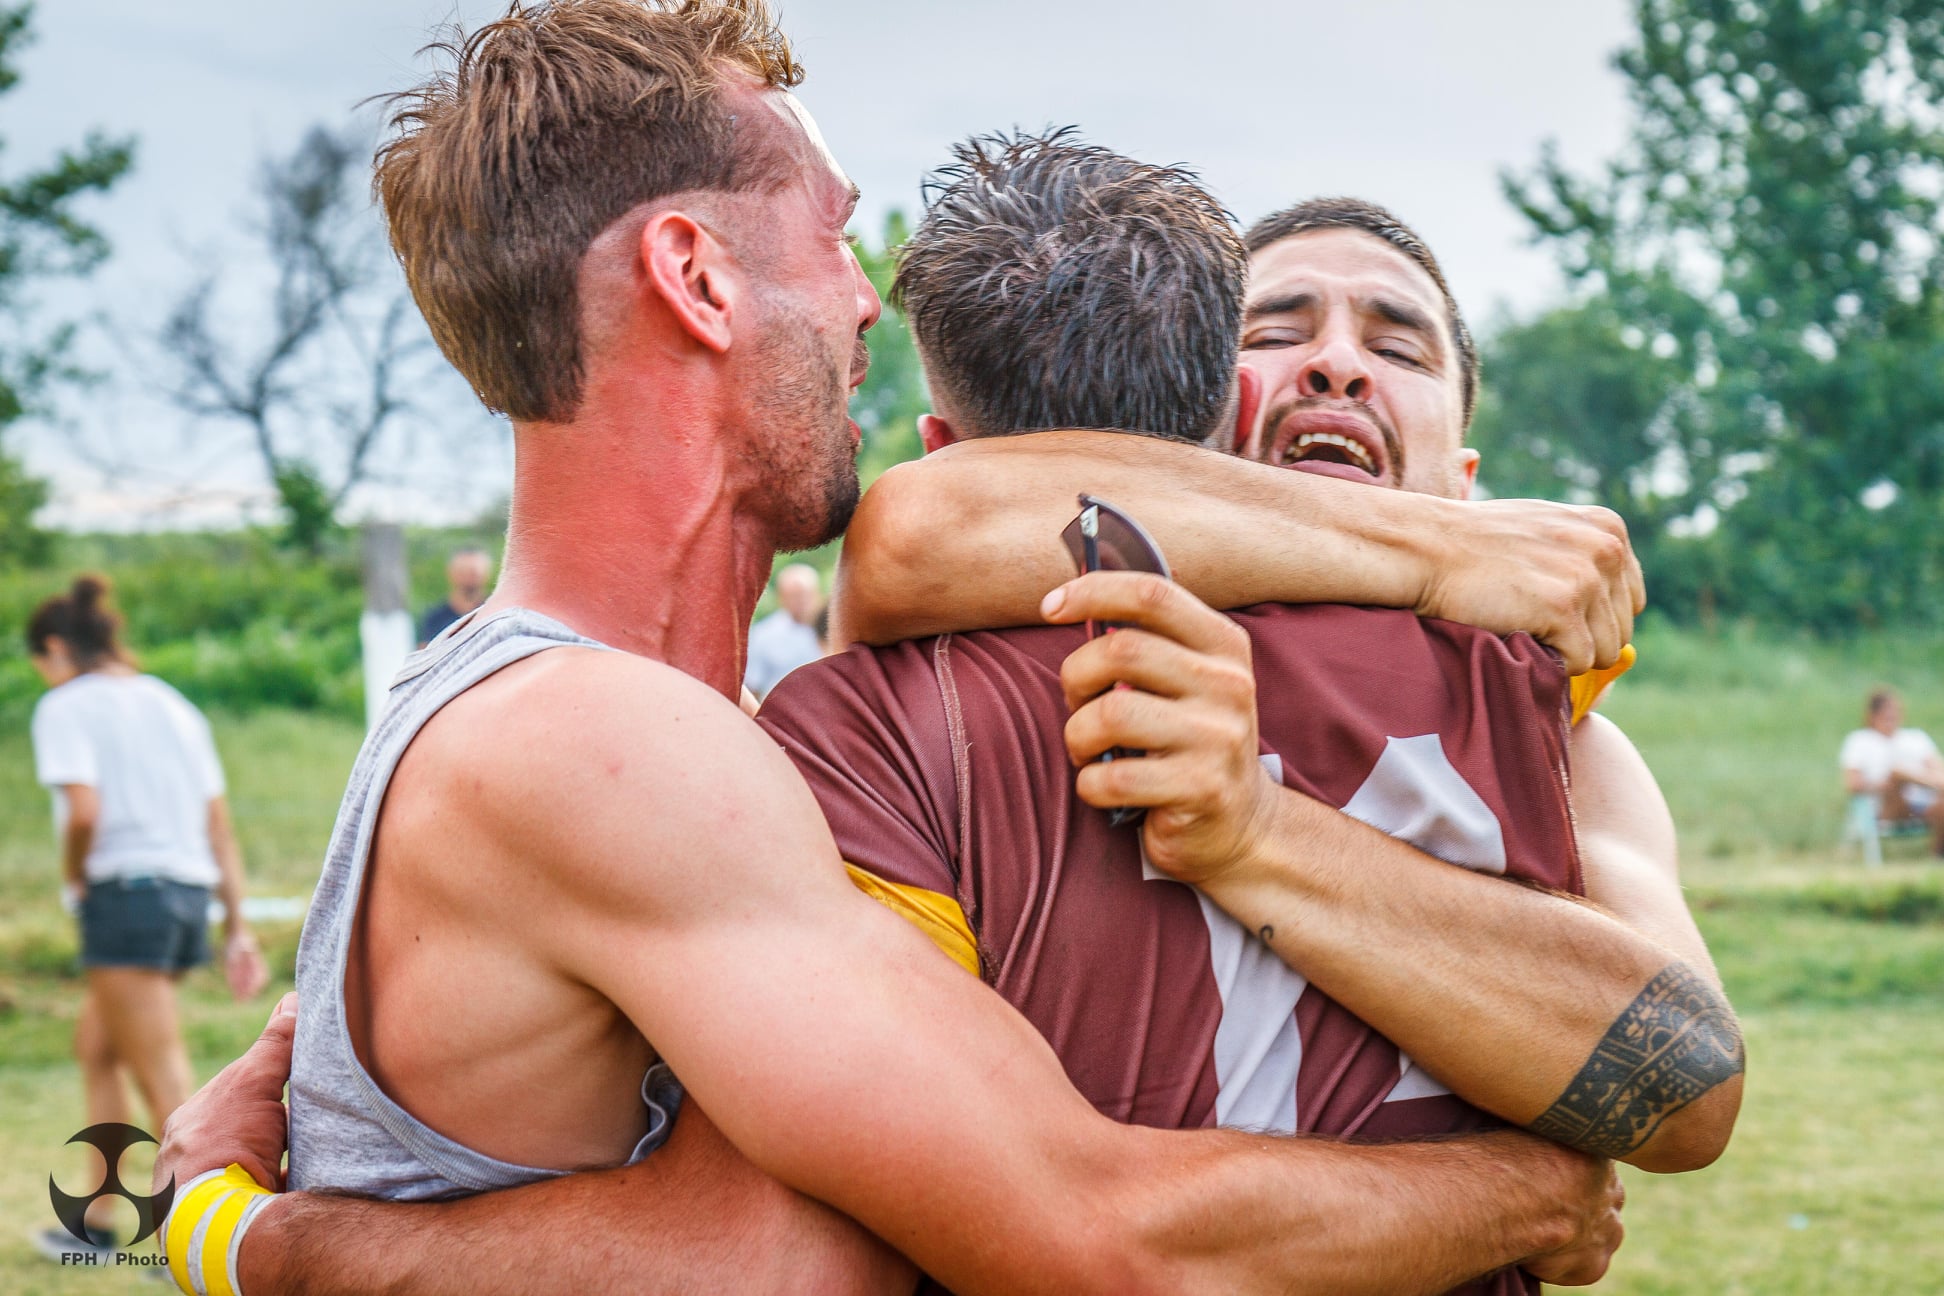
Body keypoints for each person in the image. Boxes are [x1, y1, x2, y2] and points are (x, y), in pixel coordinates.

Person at [151, 4, 1648, 1294]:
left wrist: (239, 1232)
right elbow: (889, 1256)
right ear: (698, 275)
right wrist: (1524, 1195)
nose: (868, 296)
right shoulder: (597, 745)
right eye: (830, 235)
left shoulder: (669, 709)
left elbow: (948, 519)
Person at [754, 132, 1739, 1296]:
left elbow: (1687, 1091)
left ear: (1470, 476)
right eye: (1276, 331)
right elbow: (918, 531)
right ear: (1206, 421)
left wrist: (1263, 836)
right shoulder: (971, 666)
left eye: (1396, 340)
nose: (1333, 366)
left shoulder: (1559, 728)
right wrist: (1438, 546)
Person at [26, 574, 268, 1263]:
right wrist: (237, 924)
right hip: (187, 896)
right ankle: (100, 1218)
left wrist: (74, 875)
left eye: (40, 666)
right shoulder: (173, 705)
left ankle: (201, 1246)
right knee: (97, 1048)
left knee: (166, 1080)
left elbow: (83, 812)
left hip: (125, 896)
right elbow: (218, 826)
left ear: (53, 649)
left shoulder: (67, 706)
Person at [1841, 688, 1944, 855]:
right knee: (1897, 773)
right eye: (1886, 711)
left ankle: (1937, 856)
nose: (1892, 716)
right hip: (1887, 805)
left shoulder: (1916, 738)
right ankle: (1935, 785)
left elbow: (1938, 767)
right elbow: (1852, 784)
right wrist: (1880, 785)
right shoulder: (1860, 741)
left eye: (1895, 710)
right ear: (1872, 715)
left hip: (1922, 803)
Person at [742, 561, 824, 697]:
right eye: (795, 596)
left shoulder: (831, 630)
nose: (802, 601)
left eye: (806, 594)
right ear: (781, 598)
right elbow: (752, 687)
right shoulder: (763, 635)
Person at [417, 547, 493, 646]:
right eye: (463, 571)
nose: (468, 577)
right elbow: (424, 654)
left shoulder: (496, 612)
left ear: (487, 573)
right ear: (450, 572)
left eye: (473, 572)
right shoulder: (434, 618)